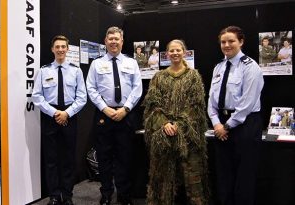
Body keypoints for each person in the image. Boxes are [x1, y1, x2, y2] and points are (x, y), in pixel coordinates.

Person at [143, 39, 209, 205]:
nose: (175, 53)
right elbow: (152, 104)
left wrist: (179, 124)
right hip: (162, 136)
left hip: (189, 137)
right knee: (162, 180)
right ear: (166, 54)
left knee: (193, 179)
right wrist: (164, 123)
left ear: (184, 52)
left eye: (178, 50)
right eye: (171, 51)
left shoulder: (193, 76)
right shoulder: (158, 77)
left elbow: (196, 105)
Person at [207, 26, 264, 205]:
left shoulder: (250, 67)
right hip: (221, 125)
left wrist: (227, 126)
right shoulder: (218, 67)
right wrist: (216, 123)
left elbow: (247, 104)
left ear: (241, 42)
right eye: (223, 42)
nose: (227, 45)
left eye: (231, 41)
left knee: (244, 176)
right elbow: (211, 100)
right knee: (224, 174)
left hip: (245, 125)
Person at [86, 26, 142, 205]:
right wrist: (105, 108)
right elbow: (91, 88)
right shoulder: (97, 63)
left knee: (125, 158)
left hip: (125, 115)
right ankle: (106, 194)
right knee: (104, 158)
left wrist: (125, 109)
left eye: (117, 39)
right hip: (104, 115)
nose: (113, 42)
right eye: (110, 39)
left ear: (122, 41)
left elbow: (137, 88)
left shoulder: (131, 63)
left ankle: (124, 195)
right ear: (105, 41)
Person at [32, 35, 87, 205]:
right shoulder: (44, 71)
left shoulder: (76, 70)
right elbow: (37, 96)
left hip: (69, 116)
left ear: (67, 49)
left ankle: (67, 195)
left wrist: (67, 113)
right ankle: (55, 195)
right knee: (51, 159)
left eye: (63, 46)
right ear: (52, 49)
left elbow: (82, 97)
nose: (61, 49)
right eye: (57, 46)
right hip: (51, 117)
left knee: (68, 159)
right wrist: (55, 113)